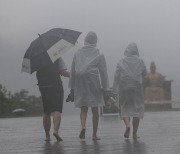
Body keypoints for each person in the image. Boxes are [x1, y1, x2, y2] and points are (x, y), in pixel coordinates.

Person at [68, 31, 109, 140]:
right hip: (93, 79)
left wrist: (72, 87)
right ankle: (94, 134)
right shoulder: (99, 52)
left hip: (80, 80)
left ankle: (83, 126)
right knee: (95, 107)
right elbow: (103, 72)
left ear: (85, 40)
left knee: (83, 106)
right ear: (95, 41)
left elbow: (73, 70)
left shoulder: (78, 52)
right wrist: (106, 88)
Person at [112, 43, 147, 139]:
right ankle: (135, 133)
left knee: (124, 107)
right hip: (136, 87)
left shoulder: (121, 61)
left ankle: (127, 125)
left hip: (124, 87)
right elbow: (145, 73)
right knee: (137, 108)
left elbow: (116, 76)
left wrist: (114, 90)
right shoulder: (140, 61)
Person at [36, 57, 70, 142]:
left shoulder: (38, 59)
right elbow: (64, 72)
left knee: (47, 111)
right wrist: (73, 75)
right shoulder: (57, 57)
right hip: (56, 86)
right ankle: (55, 131)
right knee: (57, 109)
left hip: (43, 87)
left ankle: (47, 136)